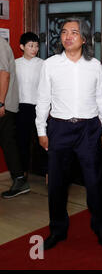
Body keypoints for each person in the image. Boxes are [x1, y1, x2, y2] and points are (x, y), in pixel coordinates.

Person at [36, 17, 102, 250]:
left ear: (84, 38)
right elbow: (43, 99)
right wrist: (41, 129)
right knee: (57, 183)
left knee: (95, 182)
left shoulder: (95, 65)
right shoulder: (50, 64)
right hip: (59, 128)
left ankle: (100, 228)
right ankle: (57, 230)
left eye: (74, 32)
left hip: (89, 129)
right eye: (64, 32)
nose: (68, 36)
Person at [0, 36, 29, 199]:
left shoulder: (0, 44)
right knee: (8, 142)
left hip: (4, 105)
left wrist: (1, 103)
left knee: (8, 143)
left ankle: (20, 180)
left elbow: (4, 74)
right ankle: (19, 180)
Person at [15, 32, 46, 180]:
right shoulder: (15, 64)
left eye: (36, 46)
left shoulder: (43, 64)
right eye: (30, 46)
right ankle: (22, 174)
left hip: (39, 107)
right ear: (22, 47)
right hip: (21, 108)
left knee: (43, 140)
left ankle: (48, 173)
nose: (34, 49)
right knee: (22, 141)